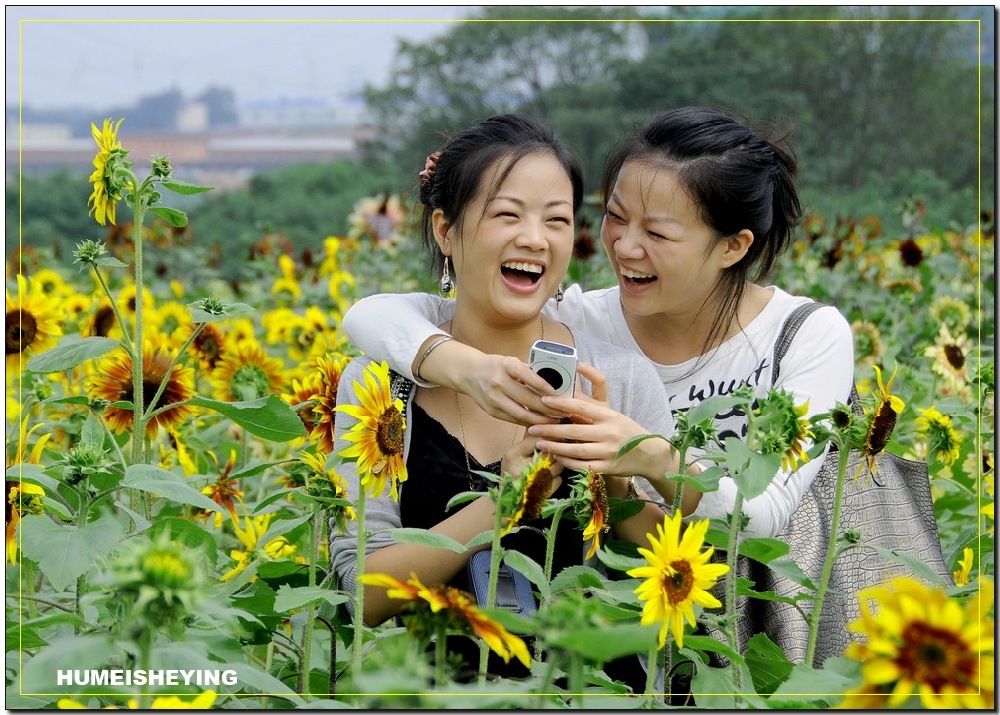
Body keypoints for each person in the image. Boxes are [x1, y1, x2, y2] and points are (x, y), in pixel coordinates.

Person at [341, 106, 855, 540]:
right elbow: (373, 316)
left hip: (758, 620)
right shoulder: (575, 321)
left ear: (732, 246)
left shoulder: (803, 338)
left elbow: (761, 516)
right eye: (615, 217)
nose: (625, 247)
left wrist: (649, 455)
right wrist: (464, 367)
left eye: (657, 232)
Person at [328, 114, 677, 686]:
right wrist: (509, 500)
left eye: (556, 220)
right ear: (446, 230)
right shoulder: (382, 388)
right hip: (436, 694)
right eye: (507, 214)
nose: (534, 238)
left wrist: (617, 480)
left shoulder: (620, 378)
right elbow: (365, 593)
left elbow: (668, 573)